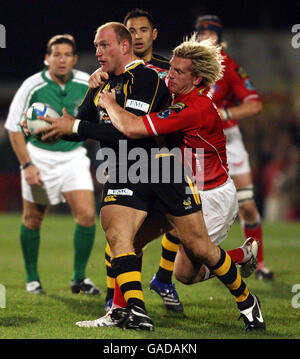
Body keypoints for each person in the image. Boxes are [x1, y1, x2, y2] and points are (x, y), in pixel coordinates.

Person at [41, 32, 265, 331]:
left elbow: (132, 127)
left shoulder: (192, 107)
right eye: (170, 67)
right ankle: (123, 310)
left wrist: (106, 103)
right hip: (170, 178)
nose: (169, 75)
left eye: (177, 72)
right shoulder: (176, 89)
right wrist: (102, 77)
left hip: (209, 192)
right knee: (126, 243)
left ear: (196, 79)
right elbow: (148, 72)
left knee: (190, 270)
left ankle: (246, 290)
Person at [5, 34, 100, 295]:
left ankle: (79, 278)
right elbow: (13, 129)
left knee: (87, 216)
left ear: (74, 59)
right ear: (47, 58)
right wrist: (27, 165)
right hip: (40, 159)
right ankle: (33, 279)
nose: (62, 60)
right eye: (56, 55)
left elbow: (97, 121)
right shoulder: (31, 86)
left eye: (67, 55)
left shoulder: (86, 83)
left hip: (73, 158)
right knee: (33, 219)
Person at [194, 15, 273, 281]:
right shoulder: (188, 64)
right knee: (186, 208)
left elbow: (254, 104)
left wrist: (225, 114)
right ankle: (168, 274)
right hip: (199, 141)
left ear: (219, 37)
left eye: (211, 33)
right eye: (201, 33)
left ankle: (258, 262)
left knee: (247, 206)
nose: (206, 37)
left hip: (228, 140)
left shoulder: (230, 67)